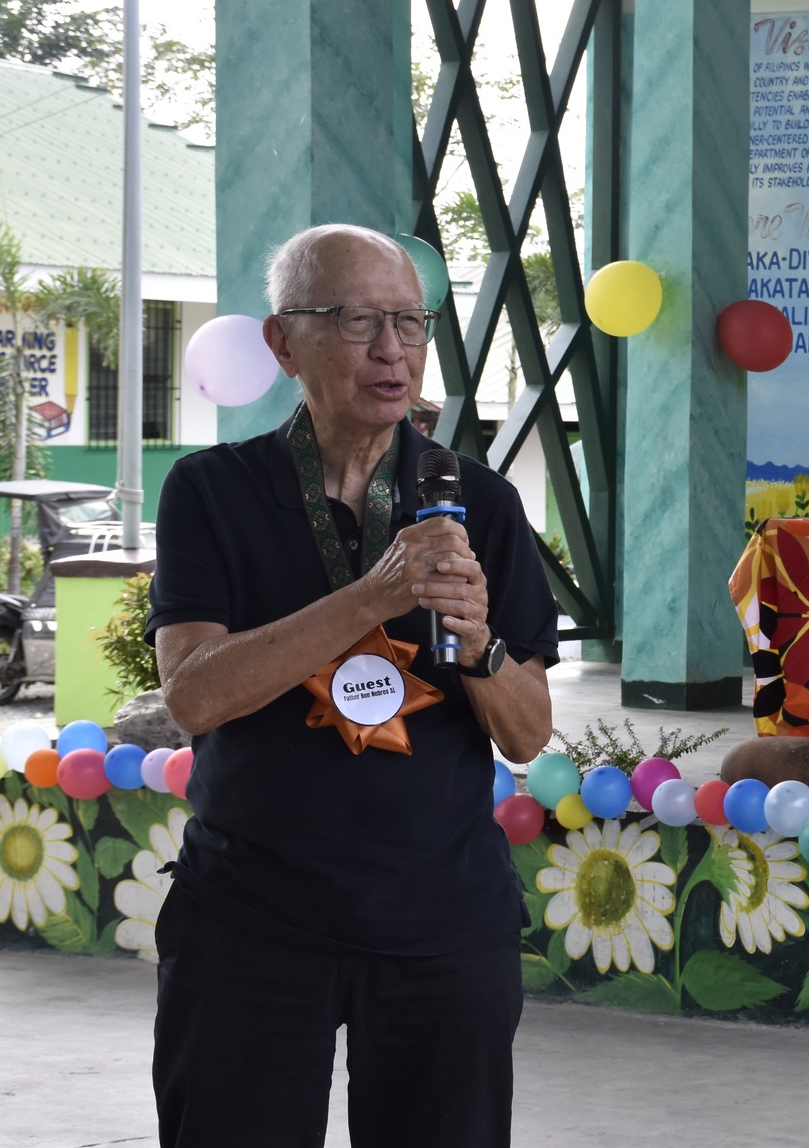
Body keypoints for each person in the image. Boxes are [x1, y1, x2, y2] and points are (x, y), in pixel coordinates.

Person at [147, 223, 558, 1147]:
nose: (393, 350)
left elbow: (528, 735)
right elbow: (195, 698)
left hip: (442, 921)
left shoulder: (477, 501)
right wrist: (374, 596)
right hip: (251, 917)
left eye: (410, 323)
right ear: (283, 341)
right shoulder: (211, 491)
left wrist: (481, 640)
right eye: (358, 319)